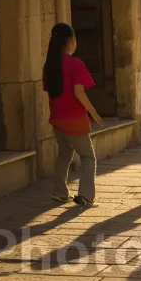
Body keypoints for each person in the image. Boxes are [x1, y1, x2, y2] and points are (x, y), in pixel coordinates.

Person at [43, 23, 102, 207]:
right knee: (88, 157)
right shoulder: (76, 64)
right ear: (72, 41)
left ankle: (60, 192)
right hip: (75, 120)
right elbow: (79, 92)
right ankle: (85, 196)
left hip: (57, 119)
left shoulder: (49, 65)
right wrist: (94, 113)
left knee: (65, 153)